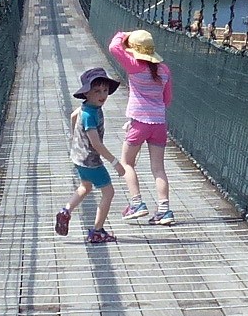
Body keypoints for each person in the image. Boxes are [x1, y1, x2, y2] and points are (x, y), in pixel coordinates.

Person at [106, 26, 174, 226]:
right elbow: (167, 99)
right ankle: (164, 210)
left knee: (127, 162)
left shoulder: (134, 65)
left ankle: (137, 204)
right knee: (158, 168)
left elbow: (113, 46)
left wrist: (125, 35)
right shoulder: (165, 70)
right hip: (159, 124)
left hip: (139, 123)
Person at [56, 67, 124, 244]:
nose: (102, 95)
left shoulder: (85, 107)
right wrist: (115, 162)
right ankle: (97, 231)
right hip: (91, 161)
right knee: (109, 193)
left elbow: (72, 115)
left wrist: (75, 139)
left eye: (105, 90)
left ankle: (66, 211)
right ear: (86, 93)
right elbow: (96, 144)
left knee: (85, 187)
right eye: (97, 91)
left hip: (78, 158)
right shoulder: (91, 114)